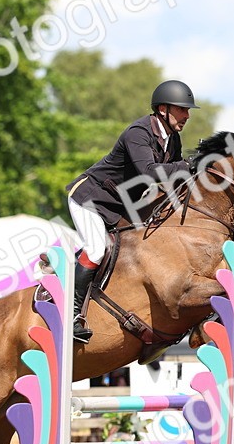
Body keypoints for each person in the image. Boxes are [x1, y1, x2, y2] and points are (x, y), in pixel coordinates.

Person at [65, 79, 200, 342]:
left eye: (187, 110)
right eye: (182, 109)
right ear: (163, 109)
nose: (187, 115)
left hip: (121, 206)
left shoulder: (173, 139)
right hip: (91, 198)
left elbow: (173, 180)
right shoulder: (138, 133)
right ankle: (72, 314)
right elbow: (149, 173)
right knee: (97, 249)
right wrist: (187, 165)